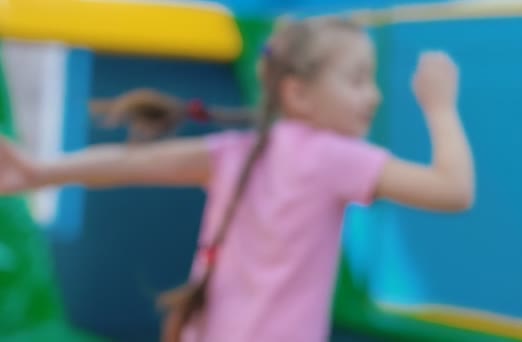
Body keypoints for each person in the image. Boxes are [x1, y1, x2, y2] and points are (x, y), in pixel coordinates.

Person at [0, 17, 474, 342]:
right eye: (357, 80)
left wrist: (42, 171)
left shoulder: (238, 151)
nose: (372, 96)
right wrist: (440, 107)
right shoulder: (334, 158)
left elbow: (131, 164)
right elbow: (453, 191)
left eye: (373, 81)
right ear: (298, 93)